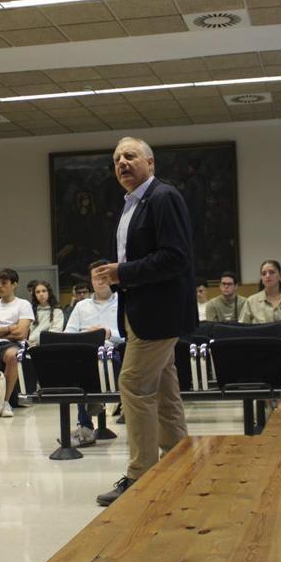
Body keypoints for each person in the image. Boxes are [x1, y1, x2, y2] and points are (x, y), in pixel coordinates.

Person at [92, 137, 195, 507]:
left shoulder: (163, 198)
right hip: (141, 312)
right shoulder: (131, 205)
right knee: (164, 390)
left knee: (133, 383)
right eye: (117, 158)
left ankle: (140, 475)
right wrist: (122, 273)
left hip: (159, 312)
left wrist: (123, 272)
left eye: (130, 156)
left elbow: (175, 257)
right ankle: (182, 462)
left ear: (150, 162)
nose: (122, 162)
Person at [64, 258, 124, 447]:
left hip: (114, 351)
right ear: (91, 281)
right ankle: (86, 426)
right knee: (78, 363)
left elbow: (131, 334)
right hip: (86, 353)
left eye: (104, 276)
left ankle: (93, 404)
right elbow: (68, 334)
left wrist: (108, 333)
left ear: (112, 277)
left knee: (106, 359)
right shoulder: (82, 306)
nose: (100, 281)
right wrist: (85, 336)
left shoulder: (123, 302)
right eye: (95, 278)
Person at [0, 268, 33, 418]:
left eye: (4, 283)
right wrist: (8, 328)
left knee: (13, 356)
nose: (0, 286)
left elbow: (21, 333)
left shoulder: (23, 305)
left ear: (14, 285)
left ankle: (5, 402)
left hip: (10, 345)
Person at [240, 259, 281, 337]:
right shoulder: (251, 301)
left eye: (272, 272)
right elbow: (242, 329)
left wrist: (279, 331)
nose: (267, 276)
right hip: (260, 344)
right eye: (264, 273)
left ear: (280, 277)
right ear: (261, 279)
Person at [27, 280, 65, 346]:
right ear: (35, 295)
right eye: (38, 292)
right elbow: (27, 333)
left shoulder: (57, 312)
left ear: (49, 293)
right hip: (31, 346)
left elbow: (55, 332)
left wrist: (35, 340)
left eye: (44, 291)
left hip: (48, 346)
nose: (41, 294)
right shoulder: (30, 311)